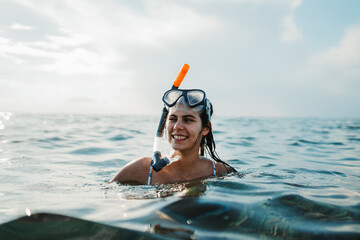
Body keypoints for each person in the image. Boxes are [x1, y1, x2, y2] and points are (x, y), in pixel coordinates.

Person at [111, 88, 237, 185]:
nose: (177, 126)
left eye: (188, 120)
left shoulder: (220, 171)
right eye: (172, 119)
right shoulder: (141, 169)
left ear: (205, 128)